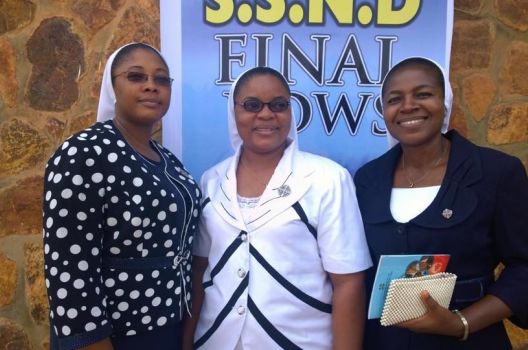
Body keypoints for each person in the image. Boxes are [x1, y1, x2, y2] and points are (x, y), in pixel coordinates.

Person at [183, 67, 372, 349]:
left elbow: (348, 284)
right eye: (252, 105)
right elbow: (200, 270)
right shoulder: (211, 181)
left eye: (279, 105)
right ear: (234, 113)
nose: (266, 114)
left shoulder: (328, 179)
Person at [354, 57, 528, 349]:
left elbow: (524, 266)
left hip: (470, 341)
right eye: (395, 99)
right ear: (384, 111)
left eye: (423, 94)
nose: (408, 106)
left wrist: (462, 322)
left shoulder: (496, 173)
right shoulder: (367, 180)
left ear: (445, 102)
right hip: (383, 342)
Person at [42, 43, 202, 350]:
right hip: (113, 336)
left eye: (162, 79)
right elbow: (69, 268)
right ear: (113, 87)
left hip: (167, 328)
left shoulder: (168, 160)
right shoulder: (85, 153)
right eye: (136, 76)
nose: (151, 86)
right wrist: (92, 341)